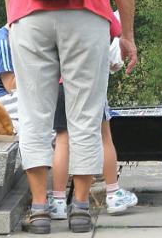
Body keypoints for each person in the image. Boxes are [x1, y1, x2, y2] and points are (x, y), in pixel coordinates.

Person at [3, 0, 138, 234]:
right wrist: (126, 35)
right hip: (87, 17)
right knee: (85, 113)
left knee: (34, 113)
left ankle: (42, 209)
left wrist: (12, 19)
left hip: (30, 15)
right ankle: (80, 207)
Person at [50, 31, 138, 219]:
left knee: (62, 140)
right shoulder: (92, 6)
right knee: (103, 137)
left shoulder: (54, 9)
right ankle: (113, 194)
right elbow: (115, 40)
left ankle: (57, 202)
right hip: (88, 82)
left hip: (59, 83)